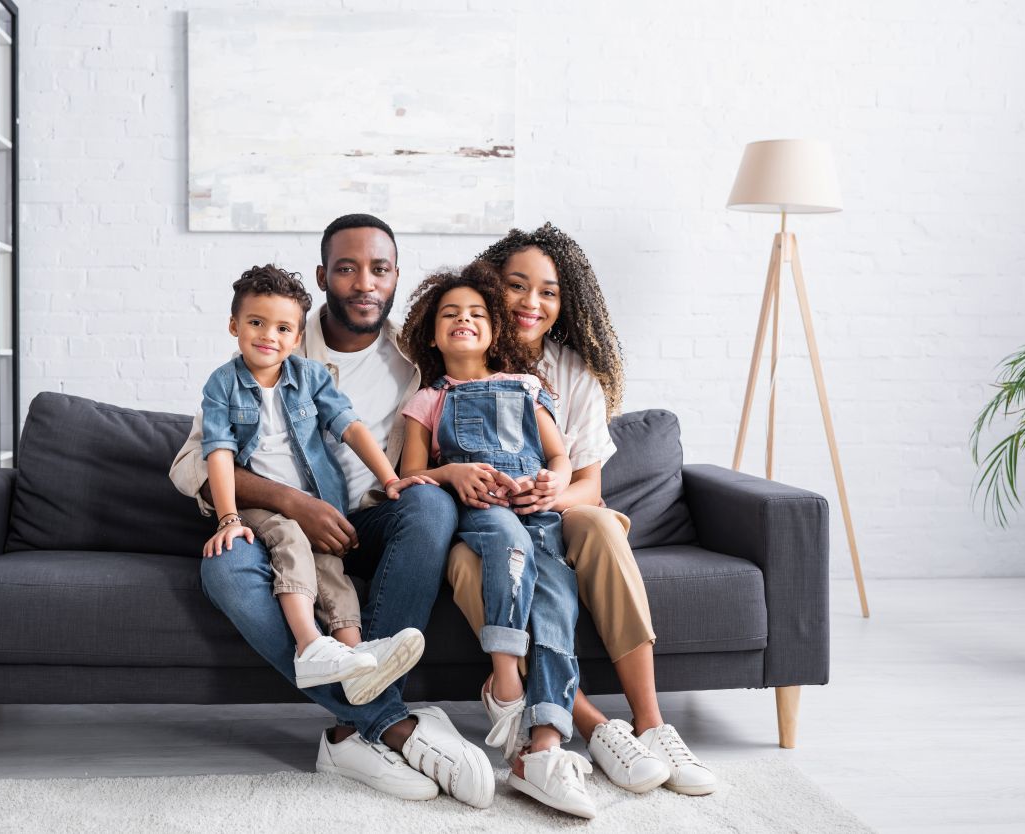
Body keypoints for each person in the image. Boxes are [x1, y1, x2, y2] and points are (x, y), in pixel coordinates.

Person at [169, 214, 494, 807]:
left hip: (370, 517)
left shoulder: (417, 357)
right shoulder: (278, 341)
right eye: (347, 269)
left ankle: (360, 724)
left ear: (396, 277)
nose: (364, 283)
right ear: (323, 276)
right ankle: (382, 725)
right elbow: (190, 466)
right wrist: (292, 501)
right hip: (284, 520)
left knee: (428, 503)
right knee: (222, 567)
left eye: (380, 269)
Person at [445, 223, 718, 796]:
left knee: (595, 522)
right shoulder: (460, 353)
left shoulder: (573, 373)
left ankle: (651, 723)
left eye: (548, 291)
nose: (531, 302)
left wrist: (549, 494)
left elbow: (589, 484)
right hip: (487, 523)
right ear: (491, 287)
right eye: (517, 286)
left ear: (566, 303)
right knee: (484, 564)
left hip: (561, 510)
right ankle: (593, 726)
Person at [397, 263, 597, 819]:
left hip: (537, 511)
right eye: (449, 314)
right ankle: (505, 678)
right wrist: (451, 474)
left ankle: (547, 747)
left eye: (477, 313)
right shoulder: (426, 401)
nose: (463, 319)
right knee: (509, 542)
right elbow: (410, 476)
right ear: (431, 334)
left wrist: (556, 480)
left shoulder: (527, 387)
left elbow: (558, 455)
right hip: (484, 511)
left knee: (558, 597)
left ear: (495, 329)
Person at [199, 264, 430, 705]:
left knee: (331, 569)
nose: (269, 335)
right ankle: (309, 646)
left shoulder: (310, 376)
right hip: (262, 507)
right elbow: (219, 453)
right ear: (234, 326)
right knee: (289, 540)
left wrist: (390, 479)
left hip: (319, 500)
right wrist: (228, 517)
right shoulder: (222, 385)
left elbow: (352, 428)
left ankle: (355, 656)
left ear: (297, 334)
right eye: (255, 322)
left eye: (283, 327)